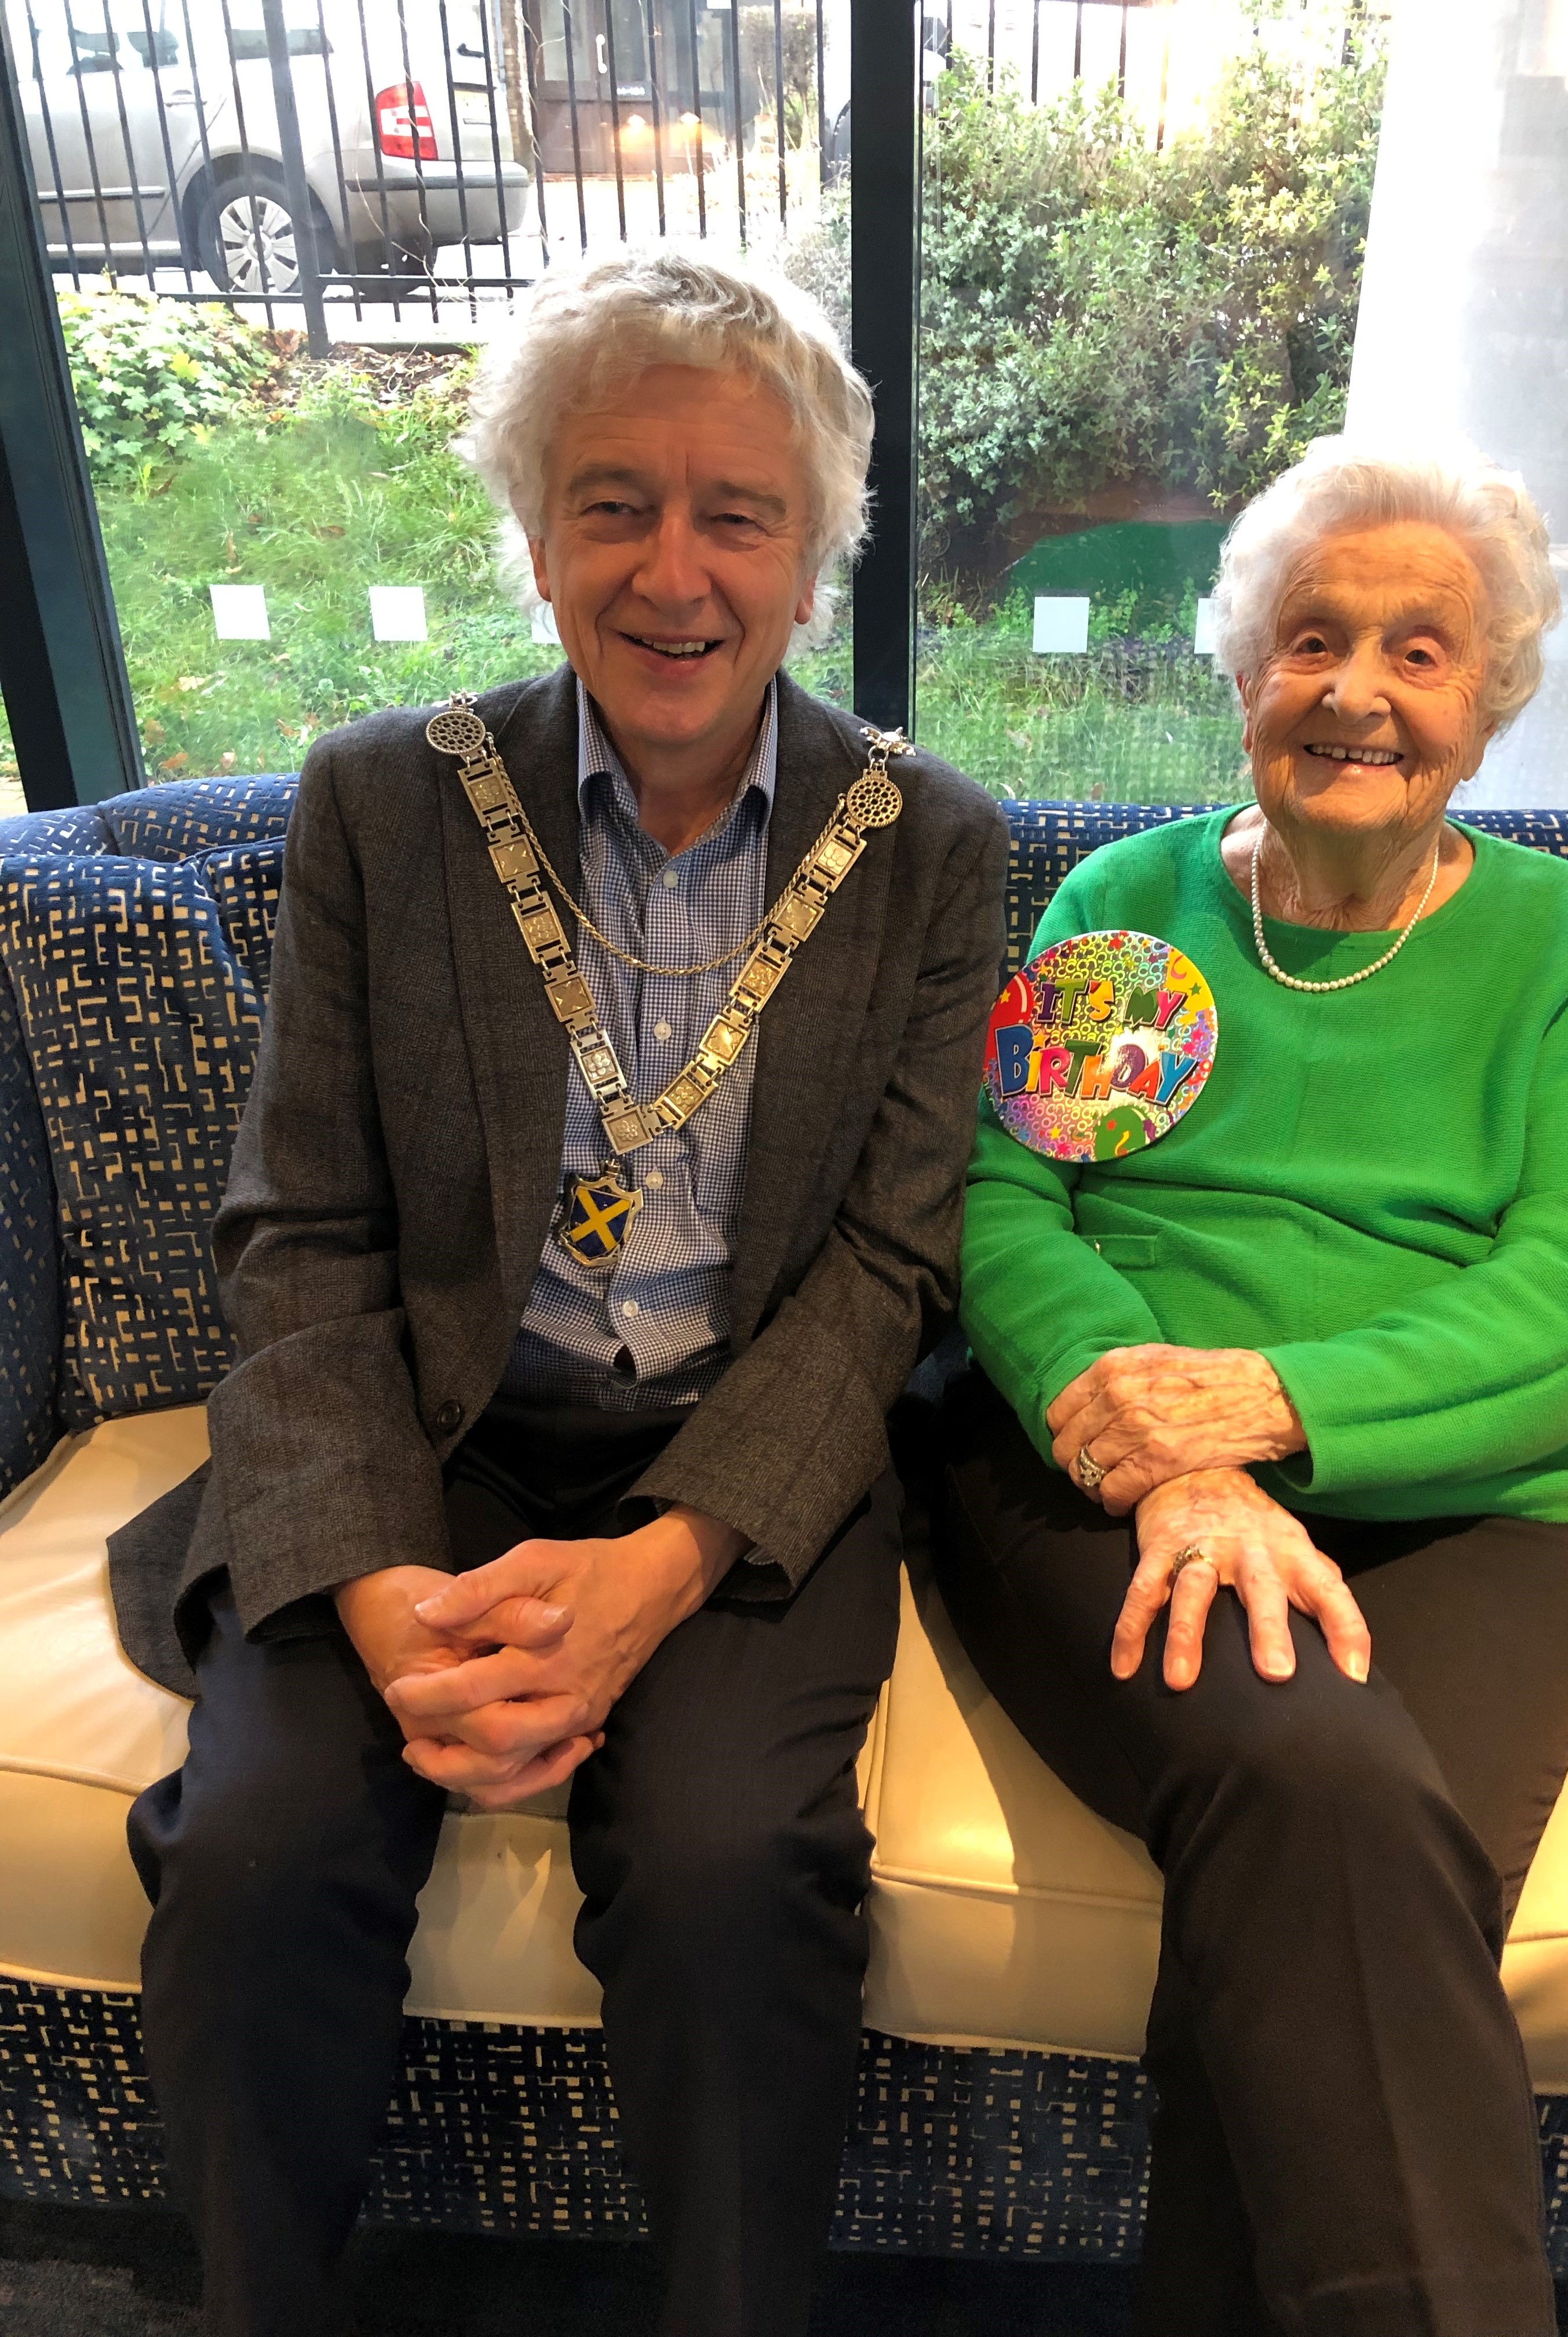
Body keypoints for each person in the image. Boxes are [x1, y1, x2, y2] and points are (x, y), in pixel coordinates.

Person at [110, 247, 1007, 2337]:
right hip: (427, 1439)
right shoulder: (385, 805)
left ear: (813, 558)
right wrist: (362, 1589)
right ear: (534, 535)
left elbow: (898, 1258)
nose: (674, 570)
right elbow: (301, 1229)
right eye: (614, 501)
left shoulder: (927, 845)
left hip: (741, 1473)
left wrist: (663, 1567)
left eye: (737, 512)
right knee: (253, 1861)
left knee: (723, 1882)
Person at [936, 441, 1568, 2335]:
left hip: (1487, 1505)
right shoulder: (1132, 898)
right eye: (1313, 640)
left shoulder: (1565, 948)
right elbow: (1010, 1209)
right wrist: (1158, 1447)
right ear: (1242, 673)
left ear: (1490, 697)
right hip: (1106, 1473)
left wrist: (1269, 1405)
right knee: (1327, 1792)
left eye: (1423, 652)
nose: (1359, 691)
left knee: (1339, 1899)